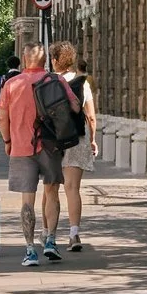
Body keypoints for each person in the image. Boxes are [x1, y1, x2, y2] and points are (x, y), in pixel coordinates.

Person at [0, 42, 79, 268]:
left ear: (24, 59)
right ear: (45, 61)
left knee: (27, 200)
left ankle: (30, 250)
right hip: (51, 146)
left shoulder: (11, 84)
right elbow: (75, 107)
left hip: (22, 148)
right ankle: (51, 240)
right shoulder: (56, 81)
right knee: (52, 191)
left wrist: (7, 141)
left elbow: (2, 118)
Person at [51, 41, 98, 253]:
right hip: (77, 138)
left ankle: (48, 233)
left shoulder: (49, 82)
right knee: (72, 188)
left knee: (50, 188)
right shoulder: (83, 83)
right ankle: (74, 233)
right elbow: (91, 117)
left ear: (54, 60)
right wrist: (93, 139)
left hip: (54, 140)